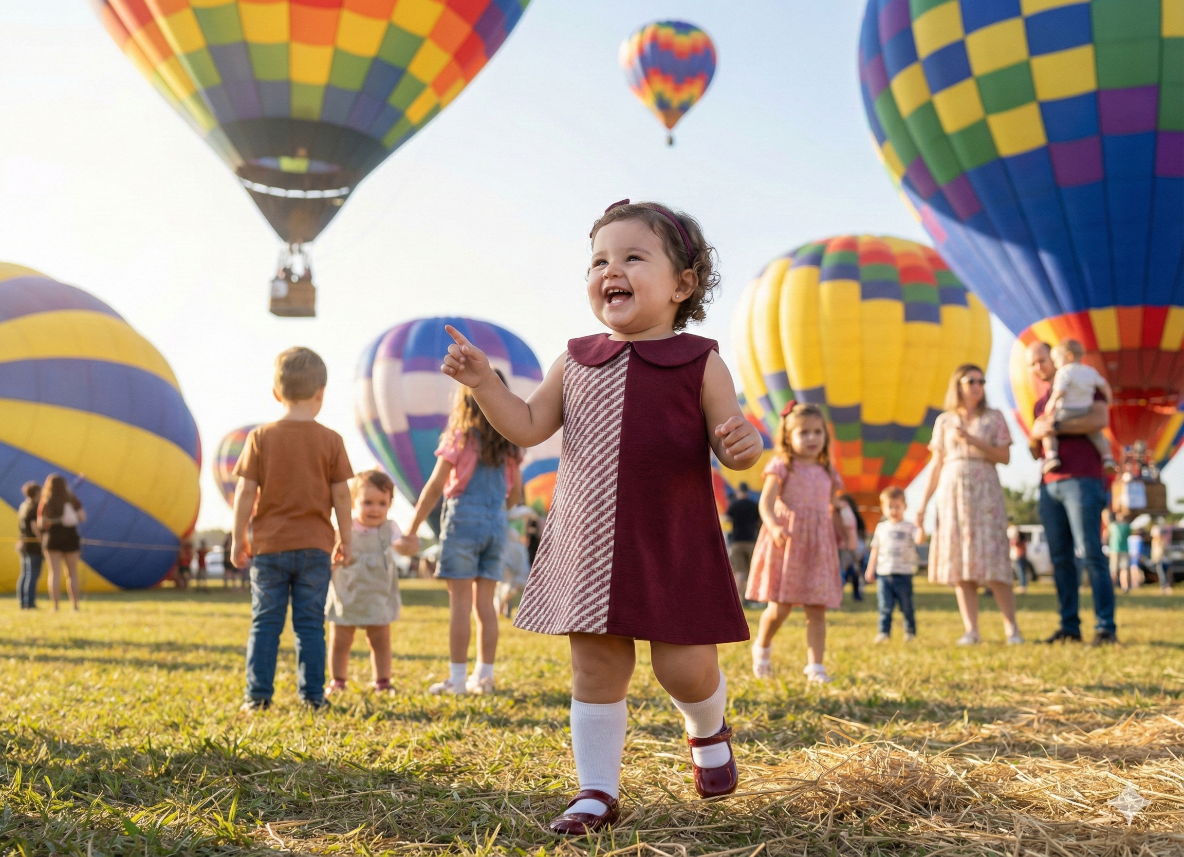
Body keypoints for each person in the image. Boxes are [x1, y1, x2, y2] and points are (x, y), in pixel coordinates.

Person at [430, 200, 761, 834]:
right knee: (596, 665)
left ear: (682, 285)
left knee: (684, 667)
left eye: (634, 257)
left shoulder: (701, 361)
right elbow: (526, 424)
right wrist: (484, 383)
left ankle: (705, 723)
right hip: (588, 539)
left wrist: (742, 444)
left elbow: (729, 438)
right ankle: (596, 792)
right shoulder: (575, 359)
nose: (612, 270)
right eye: (599, 261)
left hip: (671, 538)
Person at [232, 347, 353, 711]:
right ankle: (313, 697)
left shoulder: (260, 437)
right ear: (321, 394)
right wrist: (347, 539)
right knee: (310, 625)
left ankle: (257, 698)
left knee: (265, 623)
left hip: (269, 547)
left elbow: (244, 492)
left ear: (276, 393)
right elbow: (343, 497)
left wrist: (239, 537)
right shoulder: (331, 440)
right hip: (315, 547)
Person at [396, 370, 524, 697]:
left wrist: (411, 530)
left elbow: (435, 487)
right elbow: (514, 496)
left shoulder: (460, 436)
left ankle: (456, 680)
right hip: (496, 523)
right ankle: (484, 677)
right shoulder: (510, 445)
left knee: (460, 606)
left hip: (463, 520)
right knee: (486, 607)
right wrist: (497, 513)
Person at [916, 364, 1023, 645]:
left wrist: (973, 441)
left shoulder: (993, 417)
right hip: (952, 493)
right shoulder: (944, 421)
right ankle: (971, 629)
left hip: (984, 491)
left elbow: (1004, 456)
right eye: (971, 380)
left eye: (981, 380)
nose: (977, 385)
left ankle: (1011, 628)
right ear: (958, 385)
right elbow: (936, 464)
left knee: (994, 559)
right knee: (960, 562)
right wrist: (922, 504)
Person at [1026, 341, 1118, 645]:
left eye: (1041, 360)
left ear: (1056, 359)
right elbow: (1034, 446)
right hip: (1049, 483)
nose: (1037, 367)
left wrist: (1054, 425)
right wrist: (1037, 433)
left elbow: (1098, 420)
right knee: (1061, 557)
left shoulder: (1083, 383)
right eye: (1032, 364)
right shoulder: (1041, 403)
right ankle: (1069, 626)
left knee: (1091, 551)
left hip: (1083, 479)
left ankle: (1105, 627)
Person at [747, 402, 845, 684]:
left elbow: (834, 505)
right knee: (780, 607)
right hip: (787, 542)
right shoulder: (781, 465)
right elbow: (765, 503)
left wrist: (846, 529)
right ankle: (762, 648)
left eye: (817, 432)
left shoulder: (828, 470)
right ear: (788, 437)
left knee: (816, 608)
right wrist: (774, 525)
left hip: (818, 544)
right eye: (804, 433)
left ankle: (816, 667)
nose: (812, 438)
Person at [325, 470, 414, 695]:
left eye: (382, 503)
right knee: (340, 641)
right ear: (353, 503)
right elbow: (331, 557)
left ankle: (382, 681)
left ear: (390, 505)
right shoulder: (344, 530)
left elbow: (400, 544)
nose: (375, 509)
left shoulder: (389, 529)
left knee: (380, 641)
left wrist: (407, 545)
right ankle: (338, 680)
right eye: (367, 502)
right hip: (347, 594)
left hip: (378, 596)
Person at [1040, 339, 1116, 474]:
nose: (1056, 365)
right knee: (1097, 435)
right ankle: (1108, 458)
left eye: (1057, 360)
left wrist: (1051, 405)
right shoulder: (1090, 371)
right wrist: (1109, 400)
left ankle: (1051, 456)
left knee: (1049, 430)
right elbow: (1104, 386)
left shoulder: (1064, 372)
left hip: (1066, 411)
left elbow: (1059, 392)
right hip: (1086, 410)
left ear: (1069, 356)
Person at [865, 487, 923, 643]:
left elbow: (919, 540)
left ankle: (909, 631)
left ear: (904, 506)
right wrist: (871, 568)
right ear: (883, 508)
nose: (893, 510)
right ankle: (884, 632)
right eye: (889, 507)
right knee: (885, 606)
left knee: (906, 605)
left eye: (897, 506)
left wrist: (921, 527)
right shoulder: (881, 528)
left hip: (904, 573)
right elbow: (875, 549)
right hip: (884, 573)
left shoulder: (910, 527)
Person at [38, 474, 86, 611]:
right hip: (70, 536)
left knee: (54, 573)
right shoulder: (72, 499)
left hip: (52, 537)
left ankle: (55, 605)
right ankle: (75, 605)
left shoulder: (46, 501)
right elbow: (82, 516)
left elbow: (41, 523)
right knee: (72, 573)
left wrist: (54, 520)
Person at [725, 482, 761, 601]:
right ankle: (751, 597)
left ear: (739, 492)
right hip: (751, 541)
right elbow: (759, 521)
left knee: (739, 572)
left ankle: (739, 600)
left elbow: (727, 518)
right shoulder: (753, 505)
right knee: (752, 571)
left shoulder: (734, 505)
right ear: (748, 492)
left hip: (737, 541)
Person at [16, 482, 43, 609]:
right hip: (33, 546)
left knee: (24, 574)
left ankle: (22, 602)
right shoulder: (35, 506)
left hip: (24, 543)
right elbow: (34, 526)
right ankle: (29, 602)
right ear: (37, 493)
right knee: (32, 574)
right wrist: (42, 540)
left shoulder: (24, 506)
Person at [838, 494, 865, 601]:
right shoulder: (836, 515)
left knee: (855, 572)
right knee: (842, 572)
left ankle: (857, 594)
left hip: (854, 548)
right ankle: (839, 595)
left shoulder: (856, 518)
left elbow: (861, 533)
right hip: (842, 548)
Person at [1007, 525, 1033, 594]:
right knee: (1021, 572)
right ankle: (1023, 585)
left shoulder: (1019, 540)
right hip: (1021, 556)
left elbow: (1012, 544)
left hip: (1019, 556)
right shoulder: (1022, 540)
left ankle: (1023, 586)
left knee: (1021, 572)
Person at [1152, 518, 1173, 593]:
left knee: (1166, 572)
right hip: (1159, 556)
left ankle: (1167, 586)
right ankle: (1163, 586)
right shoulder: (1157, 539)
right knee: (1161, 572)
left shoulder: (1167, 530)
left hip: (1164, 555)